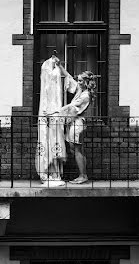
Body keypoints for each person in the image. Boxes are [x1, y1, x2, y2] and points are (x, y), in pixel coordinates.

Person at [49, 71, 96, 184]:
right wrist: (60, 67)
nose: (78, 82)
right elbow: (70, 78)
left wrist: (56, 111)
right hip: (75, 123)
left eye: (80, 80)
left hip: (78, 124)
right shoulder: (81, 91)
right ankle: (82, 175)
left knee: (77, 150)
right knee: (75, 149)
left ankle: (83, 176)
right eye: (78, 80)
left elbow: (71, 107)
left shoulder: (85, 95)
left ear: (86, 82)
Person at [35, 55, 75, 186]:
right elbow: (45, 92)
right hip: (50, 112)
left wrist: (60, 66)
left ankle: (55, 173)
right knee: (48, 140)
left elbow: (73, 86)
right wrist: (46, 109)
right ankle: (48, 171)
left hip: (57, 113)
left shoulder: (59, 72)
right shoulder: (46, 69)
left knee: (56, 140)